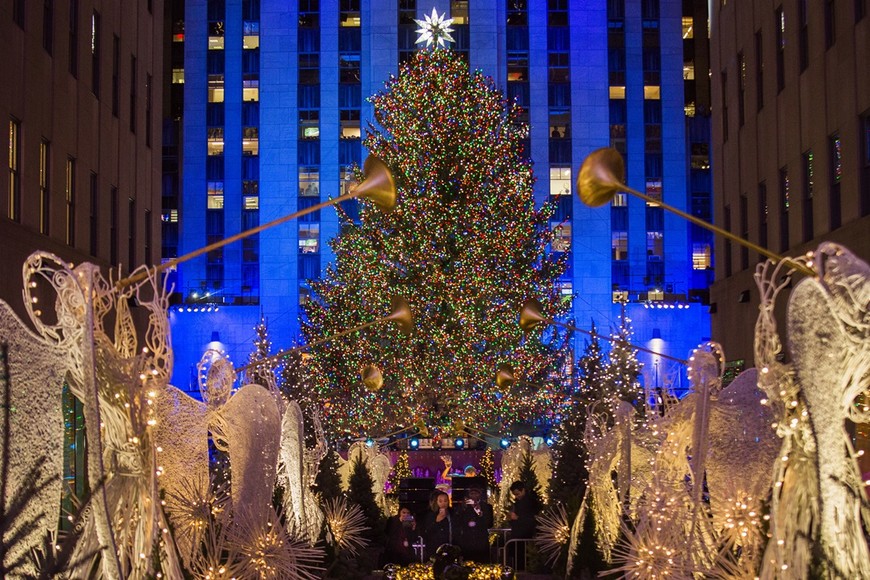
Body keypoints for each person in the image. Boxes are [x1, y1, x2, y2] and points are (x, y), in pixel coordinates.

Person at [455, 487, 493, 563]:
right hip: (467, 542)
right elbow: (457, 522)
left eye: (476, 493)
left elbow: (489, 524)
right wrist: (463, 508)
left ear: (480, 494)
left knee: (482, 564)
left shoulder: (487, 507)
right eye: (472, 493)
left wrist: (480, 513)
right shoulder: (463, 507)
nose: (474, 496)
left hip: (481, 542)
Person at [508, 480, 540, 570]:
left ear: (523, 490)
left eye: (517, 494)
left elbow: (532, 519)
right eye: (515, 494)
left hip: (524, 535)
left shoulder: (530, 502)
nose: (516, 496)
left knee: (522, 561)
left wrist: (517, 518)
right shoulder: (519, 502)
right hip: (518, 535)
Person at [421, 490, 454, 560]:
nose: (443, 503)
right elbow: (427, 531)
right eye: (440, 501)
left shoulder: (452, 513)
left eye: (445, 501)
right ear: (436, 502)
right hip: (435, 548)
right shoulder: (431, 514)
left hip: (450, 546)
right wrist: (438, 520)